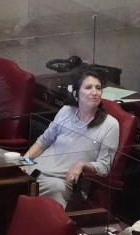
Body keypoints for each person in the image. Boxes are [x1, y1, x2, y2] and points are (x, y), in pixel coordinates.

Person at [23, 69, 120, 208]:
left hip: (61, 182)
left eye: (98, 88)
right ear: (76, 94)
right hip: (34, 171)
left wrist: (82, 165)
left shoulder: (110, 124)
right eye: (88, 87)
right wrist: (22, 162)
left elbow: (104, 167)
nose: (95, 92)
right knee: (5, 169)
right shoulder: (66, 111)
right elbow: (44, 141)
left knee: (53, 188)